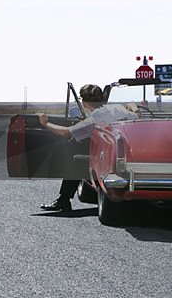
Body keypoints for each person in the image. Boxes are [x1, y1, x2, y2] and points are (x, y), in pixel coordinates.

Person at [38, 84, 140, 213]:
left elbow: (66, 133)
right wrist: (132, 107)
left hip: (108, 160)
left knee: (76, 160)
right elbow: (137, 115)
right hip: (132, 154)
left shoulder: (94, 119)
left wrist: (45, 123)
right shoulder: (119, 108)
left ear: (84, 101)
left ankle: (63, 200)